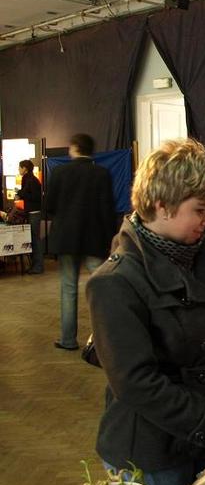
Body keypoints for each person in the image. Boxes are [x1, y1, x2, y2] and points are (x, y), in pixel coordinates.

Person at [86, 139, 205, 485]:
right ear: (162, 205)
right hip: (153, 453)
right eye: (200, 211)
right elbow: (137, 384)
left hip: (202, 436)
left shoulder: (195, 252)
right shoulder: (114, 281)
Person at [47, 133, 116, 351]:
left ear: (75, 148)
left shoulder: (59, 172)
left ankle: (68, 340)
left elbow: (49, 206)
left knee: (68, 289)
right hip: (94, 239)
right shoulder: (101, 173)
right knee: (100, 289)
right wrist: (111, 239)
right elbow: (107, 210)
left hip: (67, 239)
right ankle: (105, 340)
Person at [16, 159, 44, 273]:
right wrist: (21, 194)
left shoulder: (31, 180)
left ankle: (38, 266)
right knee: (32, 239)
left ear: (25, 168)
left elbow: (36, 197)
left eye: (20, 167)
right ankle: (35, 265)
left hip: (34, 213)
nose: (18, 169)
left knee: (35, 240)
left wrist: (21, 194)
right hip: (31, 212)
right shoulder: (28, 179)